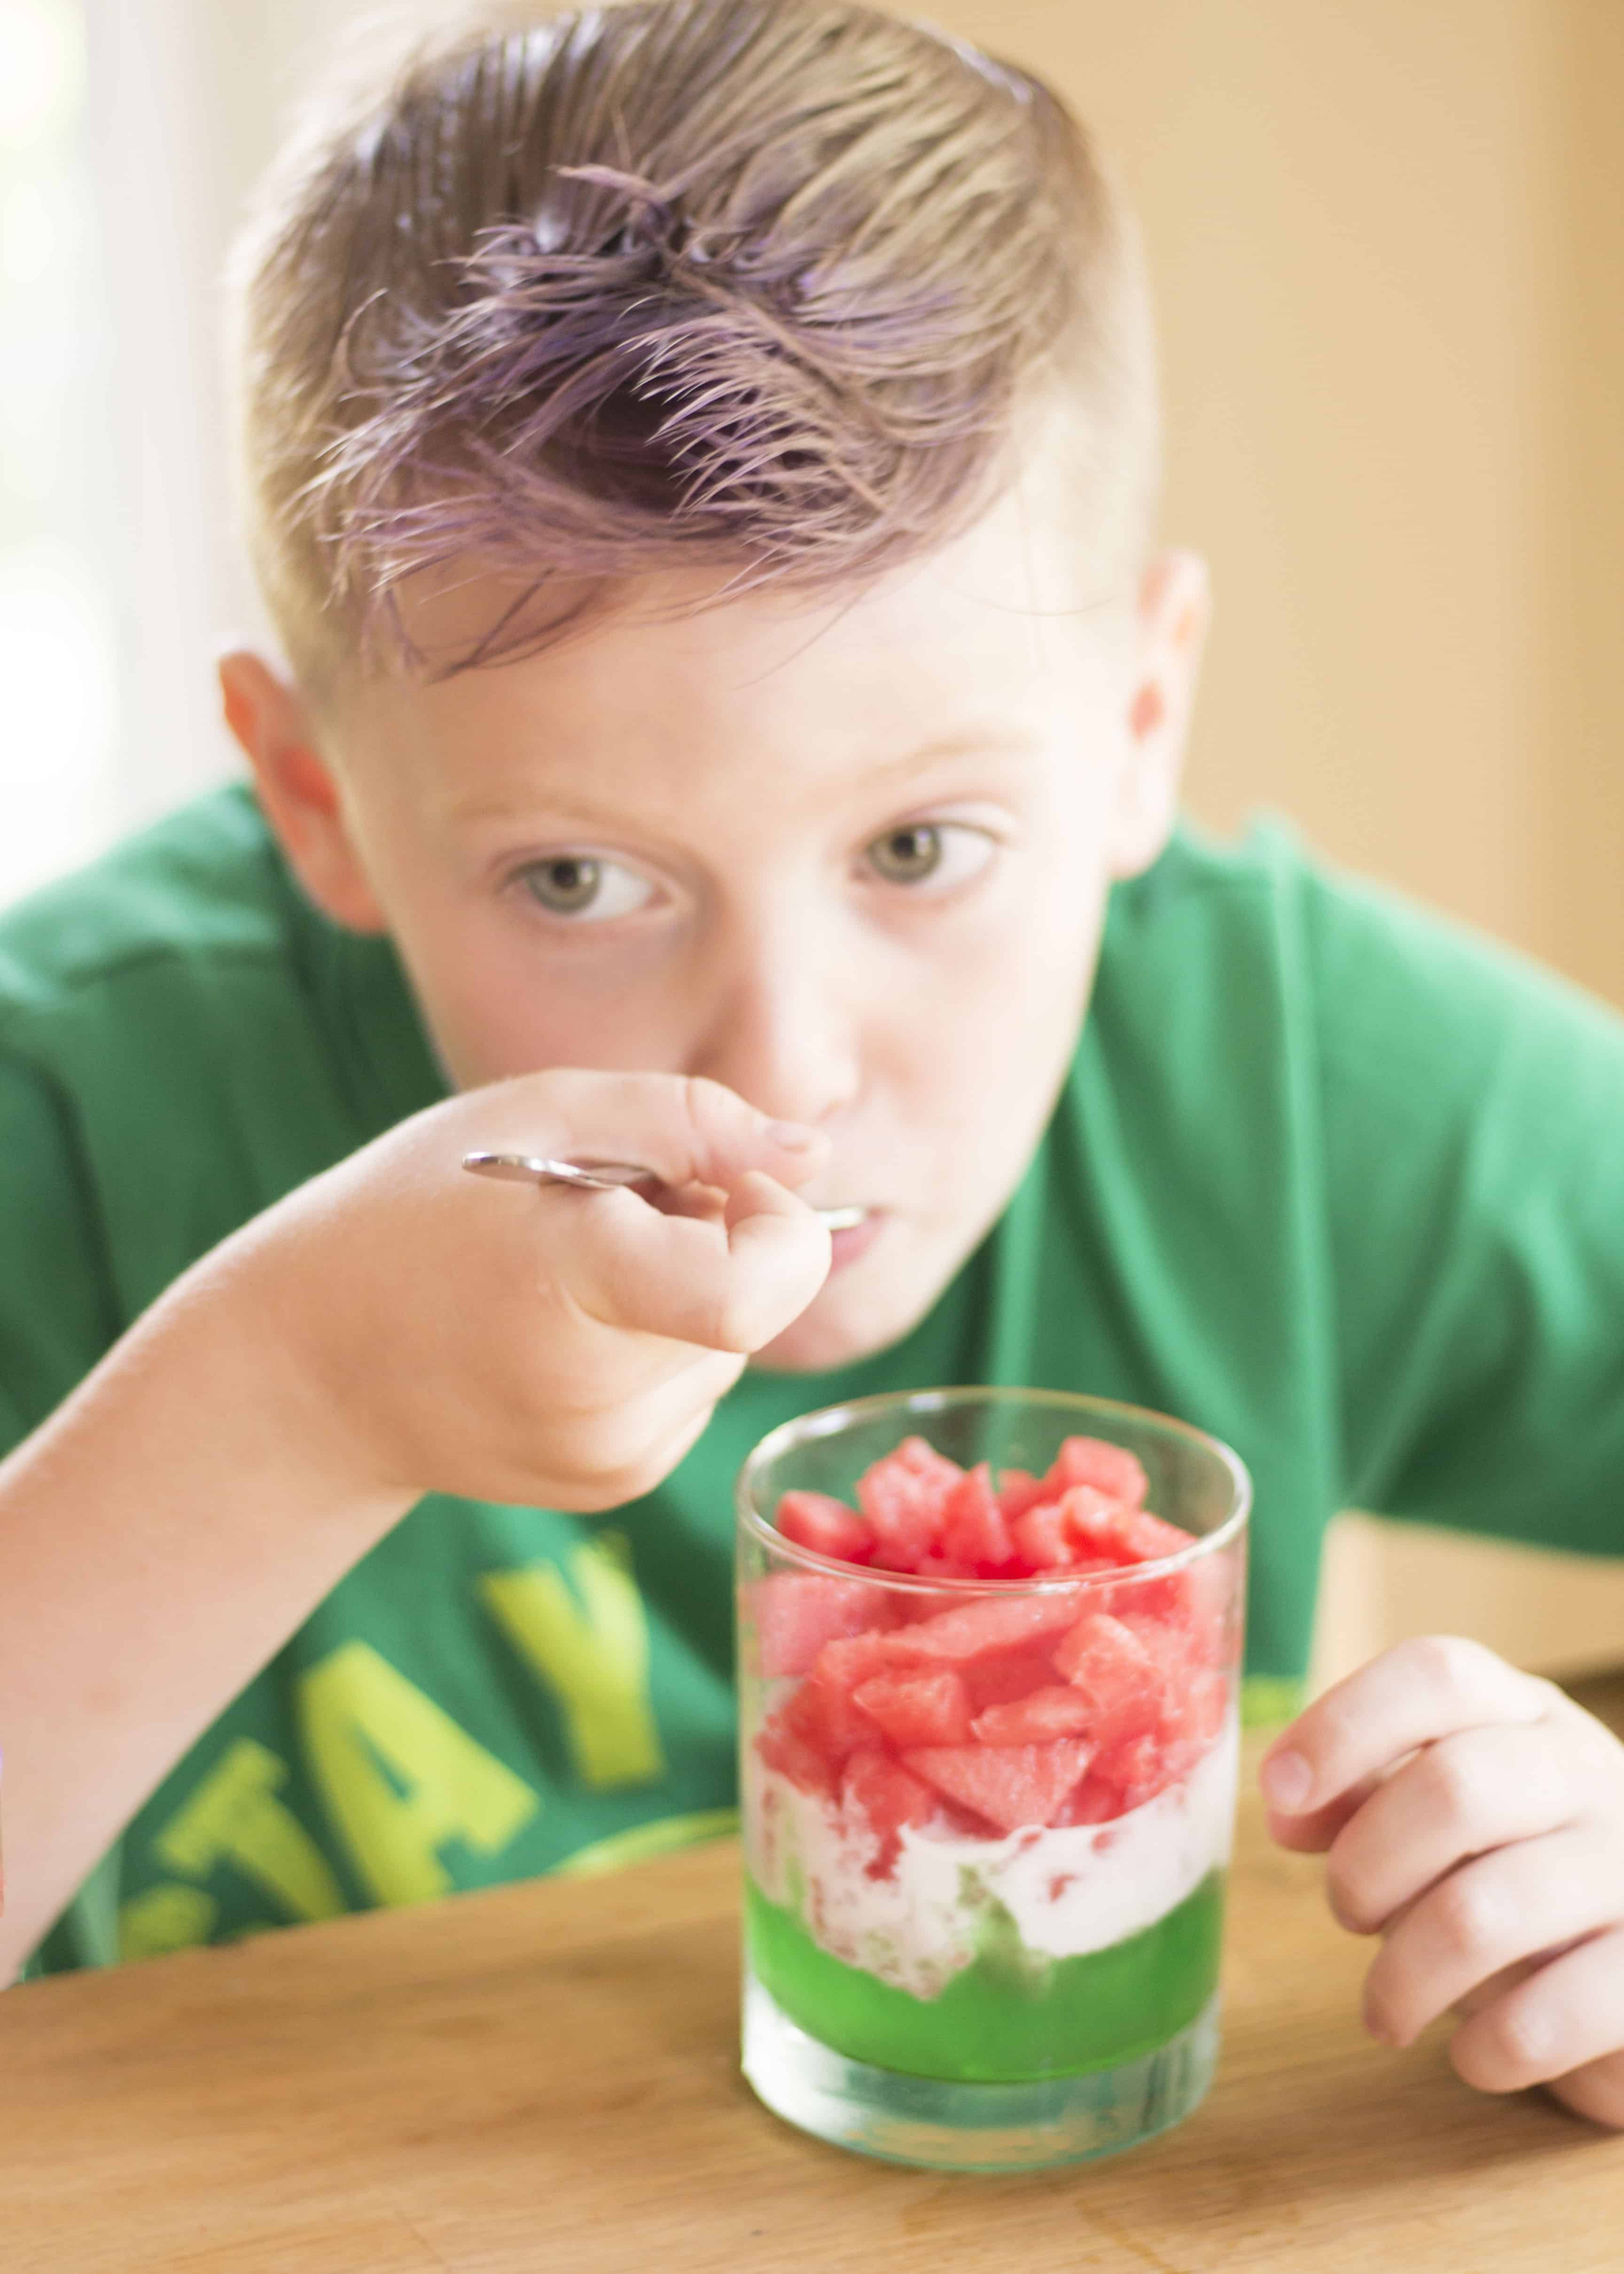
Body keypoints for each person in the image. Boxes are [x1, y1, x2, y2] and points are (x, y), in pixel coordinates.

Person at [1, 0, 1621, 2128]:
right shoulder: (76, 1104)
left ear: (1141, 720)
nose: (789, 1071)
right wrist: (295, 1390)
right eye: (579, 879)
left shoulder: (1289, 1071)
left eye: (921, 850)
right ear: (316, 799)